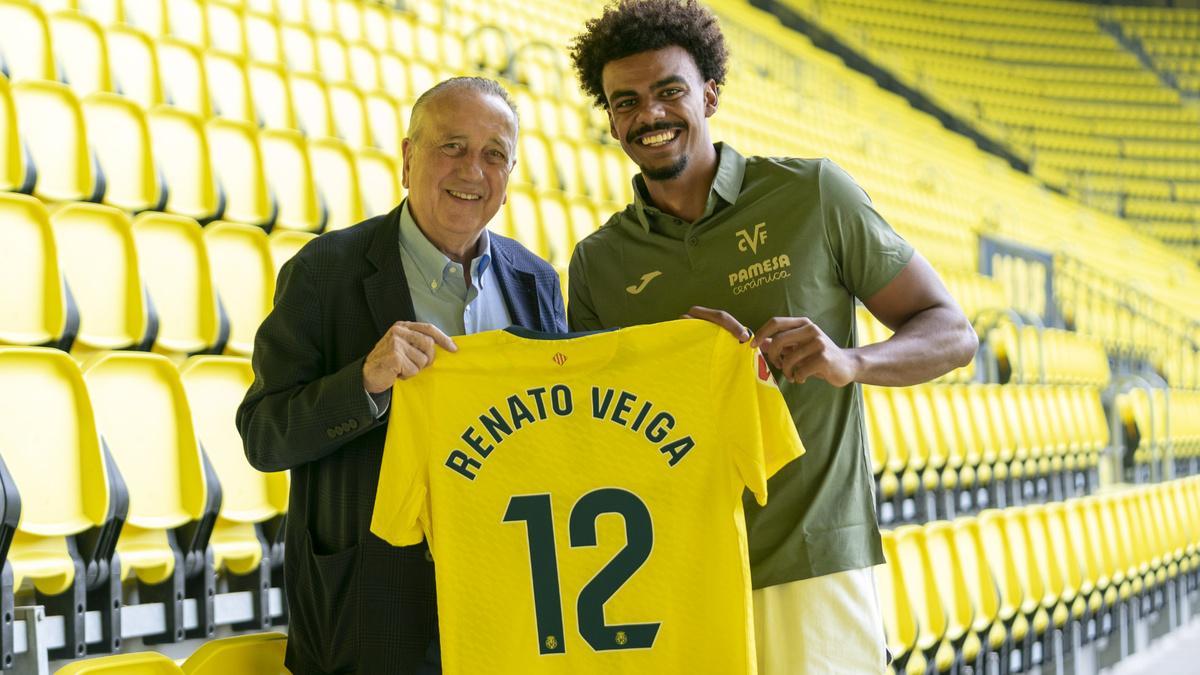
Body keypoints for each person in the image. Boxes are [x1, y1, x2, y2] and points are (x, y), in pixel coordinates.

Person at [567, 1, 979, 671]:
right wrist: (671, 368)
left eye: (669, 90)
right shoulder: (598, 262)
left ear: (710, 93)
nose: (649, 114)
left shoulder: (813, 193)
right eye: (626, 101)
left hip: (813, 554)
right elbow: (596, 431)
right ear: (610, 117)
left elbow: (953, 331)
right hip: (676, 569)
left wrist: (850, 360)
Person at [237, 77, 566, 675]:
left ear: (511, 175)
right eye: (453, 146)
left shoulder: (535, 280)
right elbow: (263, 434)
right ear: (408, 158)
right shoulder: (323, 272)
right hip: (372, 606)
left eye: (495, 154)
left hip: (509, 597)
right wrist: (364, 383)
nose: (474, 169)